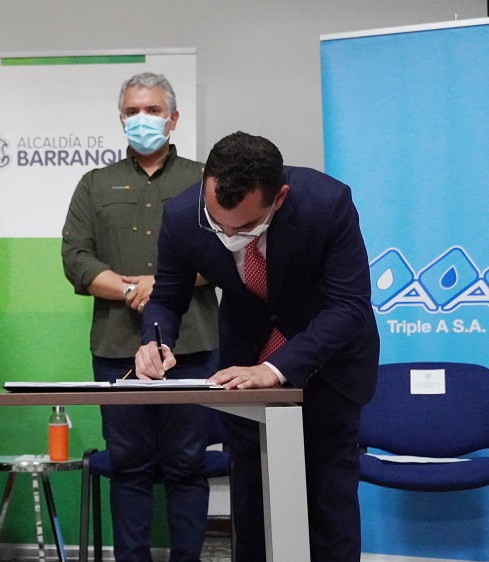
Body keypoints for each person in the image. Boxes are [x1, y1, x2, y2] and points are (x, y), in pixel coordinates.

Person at [135, 131, 379, 562]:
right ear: (207, 181)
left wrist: (276, 368)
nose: (230, 235)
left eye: (246, 227)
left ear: (279, 197)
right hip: (241, 377)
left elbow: (349, 307)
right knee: (251, 507)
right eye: (218, 223)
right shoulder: (180, 215)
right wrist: (156, 340)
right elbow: (166, 297)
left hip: (328, 368)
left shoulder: (328, 204)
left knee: (328, 503)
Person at [61, 72, 219, 562]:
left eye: (152, 110)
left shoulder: (202, 179)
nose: (141, 119)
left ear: (173, 119)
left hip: (190, 344)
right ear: (121, 118)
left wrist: (164, 285)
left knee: (187, 466)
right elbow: (76, 258)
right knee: (128, 467)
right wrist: (132, 288)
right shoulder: (95, 183)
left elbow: (223, 249)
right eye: (132, 111)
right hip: (116, 347)